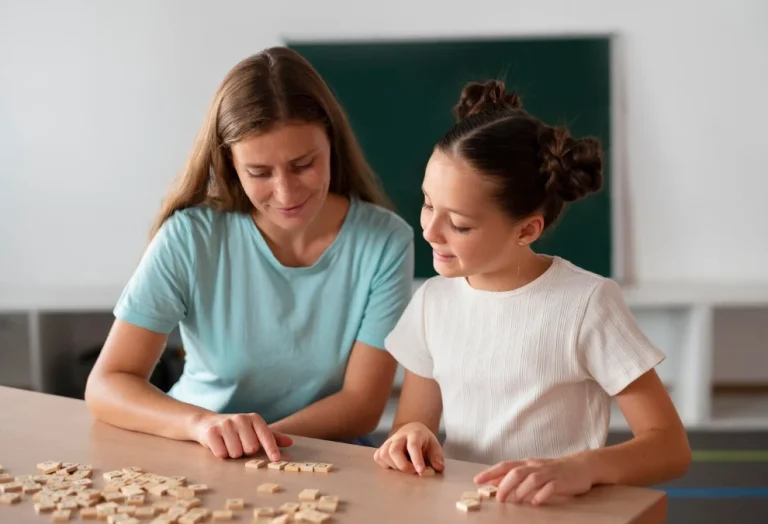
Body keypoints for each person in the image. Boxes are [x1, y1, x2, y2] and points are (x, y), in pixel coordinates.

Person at [85, 47, 414, 461]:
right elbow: (107, 383)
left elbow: (362, 405)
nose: (286, 192)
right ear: (231, 165)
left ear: (330, 140)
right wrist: (205, 426)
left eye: (303, 164)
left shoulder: (385, 240)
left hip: (321, 457)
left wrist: (254, 441)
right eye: (259, 173)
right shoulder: (189, 237)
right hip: (199, 448)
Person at [373, 80, 691, 505]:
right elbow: (412, 425)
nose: (429, 230)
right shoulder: (433, 301)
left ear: (526, 229)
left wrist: (584, 466)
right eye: (428, 203)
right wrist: (410, 436)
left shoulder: (586, 304)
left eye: (460, 224)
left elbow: (670, 447)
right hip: (467, 510)